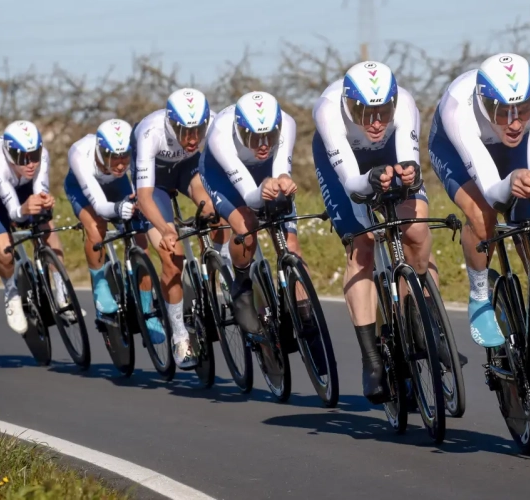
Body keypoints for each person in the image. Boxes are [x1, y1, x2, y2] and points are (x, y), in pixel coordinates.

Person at [427, 52, 530, 424]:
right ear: (483, 103)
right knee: (483, 215)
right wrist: (512, 184)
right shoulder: (457, 110)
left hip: (514, 160)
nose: (514, 123)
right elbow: (491, 190)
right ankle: (480, 293)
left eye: (522, 110)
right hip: (462, 155)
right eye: (501, 111)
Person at [311, 61, 441, 404]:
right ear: (348, 105)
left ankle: (419, 317)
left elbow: (409, 164)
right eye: (364, 112)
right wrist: (370, 181)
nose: (376, 121)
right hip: (346, 167)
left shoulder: (407, 105)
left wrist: (408, 177)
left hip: (389, 157)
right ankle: (371, 361)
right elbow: (354, 183)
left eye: (383, 110)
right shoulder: (328, 110)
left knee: (415, 229)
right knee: (363, 247)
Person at [130, 88, 228, 369]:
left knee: (213, 209)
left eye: (198, 130)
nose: (193, 138)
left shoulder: (213, 121)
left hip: (188, 168)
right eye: (185, 131)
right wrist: (166, 229)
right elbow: (145, 197)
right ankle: (179, 336)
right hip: (155, 182)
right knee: (172, 258)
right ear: (171, 124)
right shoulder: (151, 133)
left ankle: (217, 274)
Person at [198, 91, 309, 337]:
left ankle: (304, 308)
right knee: (246, 226)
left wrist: (284, 182)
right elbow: (250, 197)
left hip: (265, 174)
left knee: (291, 244)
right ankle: (241, 288)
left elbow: (281, 171)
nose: (263, 145)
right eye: (253, 137)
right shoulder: (220, 136)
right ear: (239, 130)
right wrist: (266, 188)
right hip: (223, 177)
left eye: (270, 136)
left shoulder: (287, 124)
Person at [63, 118, 164, 341]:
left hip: (118, 186)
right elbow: (100, 206)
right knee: (96, 227)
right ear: (101, 151)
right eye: (113, 158)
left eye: (124, 157)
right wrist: (119, 208)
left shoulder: (134, 150)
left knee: (140, 241)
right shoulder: (80, 153)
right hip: (84, 190)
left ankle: (147, 310)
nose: (120, 165)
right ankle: (100, 285)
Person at [0, 120, 66, 334]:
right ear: (8, 154)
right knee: (4, 252)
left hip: (23, 190)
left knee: (46, 228)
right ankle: (11, 293)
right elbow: (14, 211)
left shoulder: (41, 156)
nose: (30, 163)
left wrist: (43, 201)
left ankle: (62, 289)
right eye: (22, 158)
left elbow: (40, 189)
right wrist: (24, 211)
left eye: (34, 155)